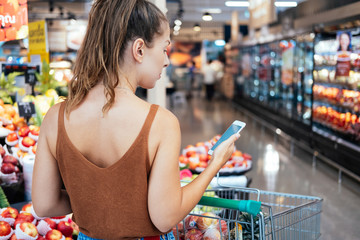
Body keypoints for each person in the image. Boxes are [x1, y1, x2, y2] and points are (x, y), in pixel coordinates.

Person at [32, 1, 240, 240]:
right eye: (164, 49)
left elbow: (44, 204)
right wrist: (215, 163)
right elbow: (164, 217)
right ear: (139, 49)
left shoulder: (55, 118)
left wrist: (94, 197)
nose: (166, 61)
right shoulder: (160, 123)